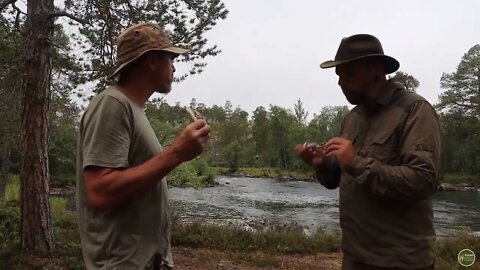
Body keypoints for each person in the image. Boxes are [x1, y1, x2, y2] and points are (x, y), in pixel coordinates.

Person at [295, 34, 441, 269]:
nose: (340, 82)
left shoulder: (414, 110)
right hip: (355, 258)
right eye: (338, 75)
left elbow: (423, 180)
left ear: (376, 71)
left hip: (402, 262)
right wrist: (322, 164)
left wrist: (356, 162)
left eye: (348, 74)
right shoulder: (352, 119)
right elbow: (337, 180)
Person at [75, 22, 210, 269]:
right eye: (170, 58)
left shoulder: (134, 110)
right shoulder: (112, 104)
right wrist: (178, 152)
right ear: (151, 61)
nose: (174, 67)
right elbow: (99, 192)